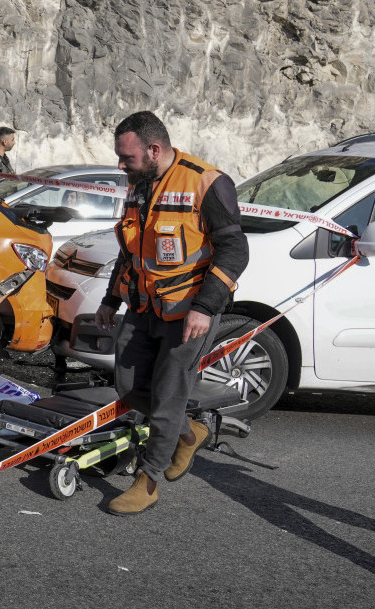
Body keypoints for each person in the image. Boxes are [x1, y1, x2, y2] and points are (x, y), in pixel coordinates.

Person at [95, 111, 248, 516]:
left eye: (126, 157)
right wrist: (111, 299)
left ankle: (147, 481)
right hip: (143, 308)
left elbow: (235, 251)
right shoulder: (138, 185)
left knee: (167, 395)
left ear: (154, 149)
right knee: (128, 387)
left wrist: (205, 306)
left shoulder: (206, 182)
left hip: (188, 314)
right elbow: (130, 251)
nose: (120, 165)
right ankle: (188, 432)